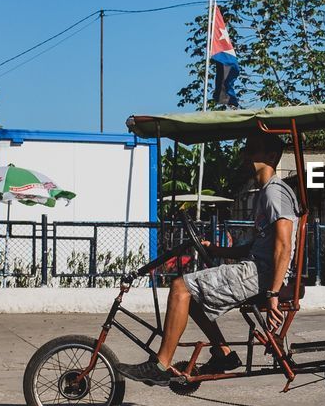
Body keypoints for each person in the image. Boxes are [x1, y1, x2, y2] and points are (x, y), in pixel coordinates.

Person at [117, 133, 300, 386]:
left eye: (252, 151)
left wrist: (273, 293)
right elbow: (258, 246)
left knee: (180, 286)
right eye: (246, 151)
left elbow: (284, 244)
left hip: (262, 275)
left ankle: (161, 364)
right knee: (189, 296)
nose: (246, 157)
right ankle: (223, 353)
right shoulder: (265, 193)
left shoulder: (274, 193)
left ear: (271, 156)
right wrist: (216, 250)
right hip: (259, 270)